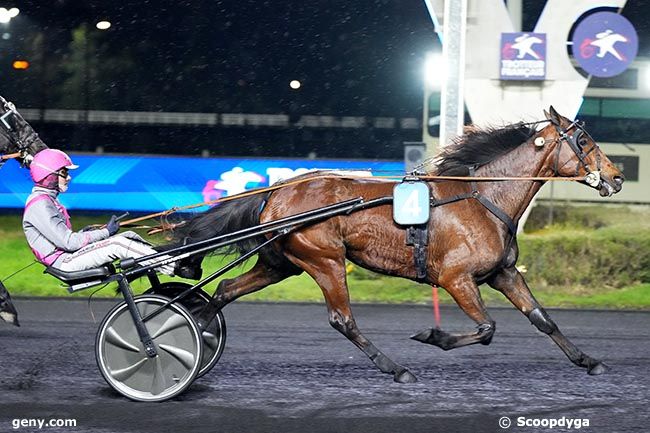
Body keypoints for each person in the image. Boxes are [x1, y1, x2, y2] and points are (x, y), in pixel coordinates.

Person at [22, 149, 173, 275]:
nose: (68, 178)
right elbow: (69, 243)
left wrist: (84, 233)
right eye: (64, 173)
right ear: (49, 175)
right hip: (64, 263)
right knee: (118, 244)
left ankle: (167, 257)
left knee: (129, 236)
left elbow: (63, 239)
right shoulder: (40, 205)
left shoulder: (47, 201)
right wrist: (106, 232)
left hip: (68, 256)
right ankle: (172, 266)